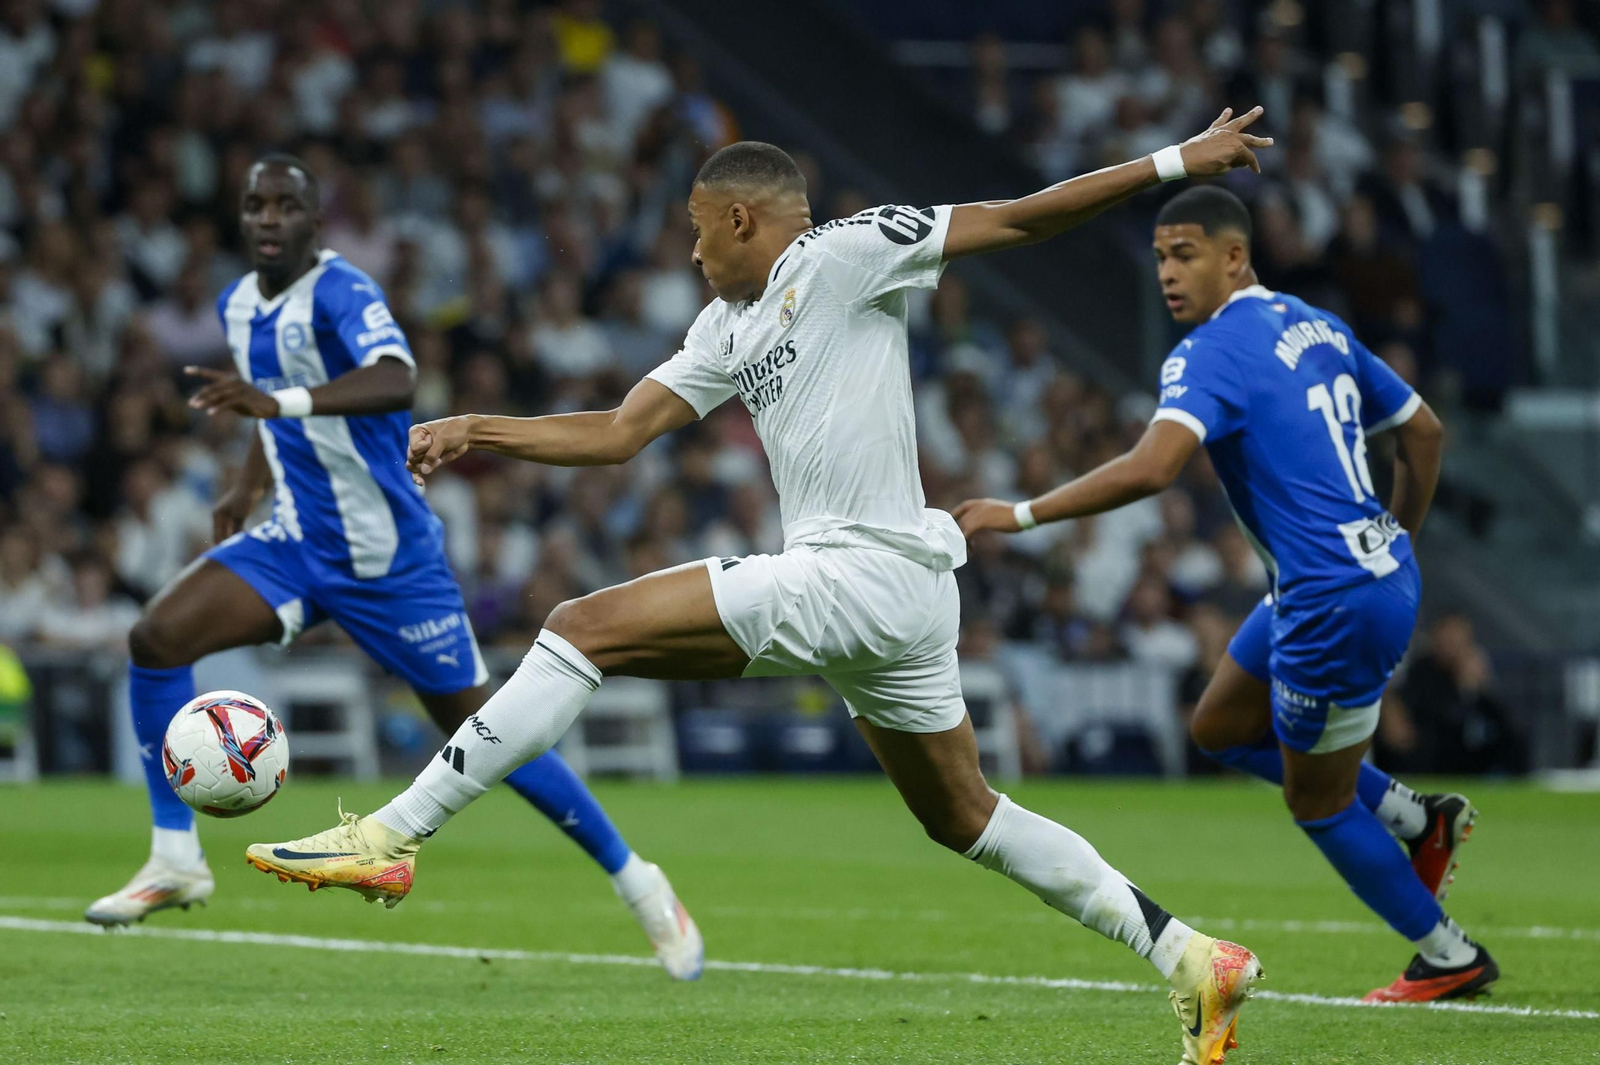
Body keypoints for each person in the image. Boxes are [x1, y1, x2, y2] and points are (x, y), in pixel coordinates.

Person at [251, 112, 1274, 1064]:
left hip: (862, 571)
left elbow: (1014, 217)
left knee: (580, 627)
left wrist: (1177, 161)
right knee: (962, 814)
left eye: (699, 233)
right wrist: (481, 427)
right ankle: (1190, 958)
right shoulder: (725, 326)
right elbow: (618, 431)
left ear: (741, 218)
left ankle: (391, 835)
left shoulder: (842, 255)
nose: (693, 255)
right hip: (894, 600)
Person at [86, 155, 704, 983]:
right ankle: (175, 857)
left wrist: (284, 405)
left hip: (390, 561)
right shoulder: (239, 302)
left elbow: (396, 380)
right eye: (255, 204)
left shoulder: (344, 293)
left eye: (286, 205)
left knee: (484, 729)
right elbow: (268, 404)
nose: (268, 217)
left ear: (314, 220)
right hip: (296, 542)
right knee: (156, 636)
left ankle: (640, 881)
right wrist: (246, 480)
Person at [955, 186, 1496, 1004]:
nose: (1168, 273)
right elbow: (1423, 432)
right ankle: (1422, 822)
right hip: (1340, 580)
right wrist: (1399, 537)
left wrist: (1020, 512)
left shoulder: (1208, 352)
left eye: (1186, 254)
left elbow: (1152, 466)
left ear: (1234, 256)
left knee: (1321, 802)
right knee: (1216, 725)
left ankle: (1448, 953)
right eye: (1162, 257)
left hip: (1328, 598)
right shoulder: (1318, 324)